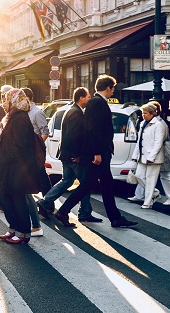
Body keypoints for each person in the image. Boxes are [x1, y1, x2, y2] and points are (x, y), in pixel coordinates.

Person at [53, 75, 138, 228]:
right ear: (108, 88)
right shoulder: (98, 103)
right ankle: (64, 211)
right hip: (98, 153)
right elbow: (94, 129)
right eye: (113, 89)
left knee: (104, 184)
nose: (113, 92)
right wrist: (97, 152)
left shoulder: (96, 102)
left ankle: (115, 217)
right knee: (90, 184)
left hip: (99, 152)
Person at [0, 88, 43, 243]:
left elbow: (19, 145)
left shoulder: (20, 118)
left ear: (15, 100)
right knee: (7, 199)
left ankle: (23, 233)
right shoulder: (13, 116)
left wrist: (6, 159)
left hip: (16, 168)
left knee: (18, 200)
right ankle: (13, 228)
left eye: (7, 99)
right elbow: (8, 142)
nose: (4, 103)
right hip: (8, 166)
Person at [37, 87, 101, 222]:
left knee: (67, 180)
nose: (89, 99)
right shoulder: (76, 113)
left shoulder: (71, 110)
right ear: (81, 98)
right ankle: (84, 212)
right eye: (88, 97)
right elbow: (72, 136)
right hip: (73, 156)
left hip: (66, 154)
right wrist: (77, 155)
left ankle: (45, 201)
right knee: (85, 184)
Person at [128, 101, 170, 205]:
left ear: (153, 113)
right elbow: (140, 141)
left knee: (158, 177)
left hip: (155, 155)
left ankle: (148, 202)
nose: (143, 115)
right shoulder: (142, 123)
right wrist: (135, 155)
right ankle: (154, 193)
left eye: (145, 113)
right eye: (142, 113)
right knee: (139, 176)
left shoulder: (160, 124)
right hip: (143, 155)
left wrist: (152, 156)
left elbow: (159, 142)